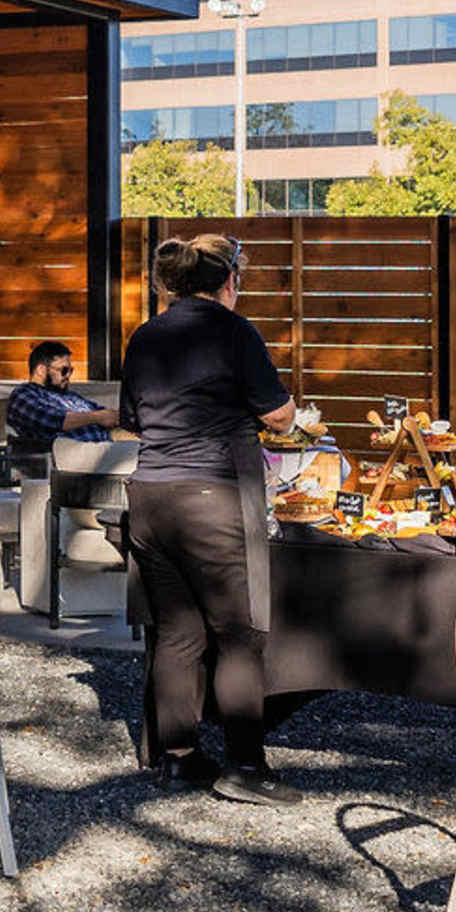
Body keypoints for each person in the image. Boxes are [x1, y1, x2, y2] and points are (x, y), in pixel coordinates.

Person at [116, 233, 299, 803]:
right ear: (229, 283)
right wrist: (288, 415)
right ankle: (245, 767)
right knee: (239, 635)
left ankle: (179, 759)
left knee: (177, 631)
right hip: (214, 497)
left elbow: (132, 419)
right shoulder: (234, 330)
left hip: (149, 497)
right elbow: (278, 415)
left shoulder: (145, 335)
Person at [6, 338, 114, 469]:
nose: (68, 375)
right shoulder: (24, 394)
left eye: (70, 370)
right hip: (66, 464)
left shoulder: (71, 396)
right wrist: (97, 417)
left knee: (140, 452)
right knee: (137, 459)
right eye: (64, 370)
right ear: (41, 370)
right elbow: (53, 420)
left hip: (102, 456)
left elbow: (106, 415)